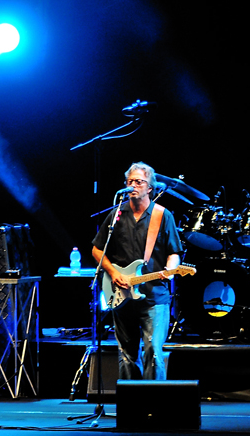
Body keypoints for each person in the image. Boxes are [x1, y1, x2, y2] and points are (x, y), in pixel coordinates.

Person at [91, 162, 183, 380]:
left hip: (154, 295)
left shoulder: (162, 215)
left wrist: (170, 269)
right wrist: (114, 273)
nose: (133, 185)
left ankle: (154, 400)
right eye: (130, 181)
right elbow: (97, 249)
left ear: (150, 188)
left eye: (139, 182)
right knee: (126, 354)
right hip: (122, 294)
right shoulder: (116, 214)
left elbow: (174, 252)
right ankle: (131, 399)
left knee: (153, 351)